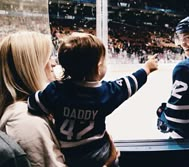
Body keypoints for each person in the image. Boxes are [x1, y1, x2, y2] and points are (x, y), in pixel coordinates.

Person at [28, 32, 158, 167]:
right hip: (98, 154)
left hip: (67, 154)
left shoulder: (55, 90)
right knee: (114, 157)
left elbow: (33, 104)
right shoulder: (105, 93)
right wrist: (147, 68)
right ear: (98, 66)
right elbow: (129, 83)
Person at [0, 31, 67, 167]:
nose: (53, 64)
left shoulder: (30, 109)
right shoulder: (27, 122)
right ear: (32, 68)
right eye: (47, 58)